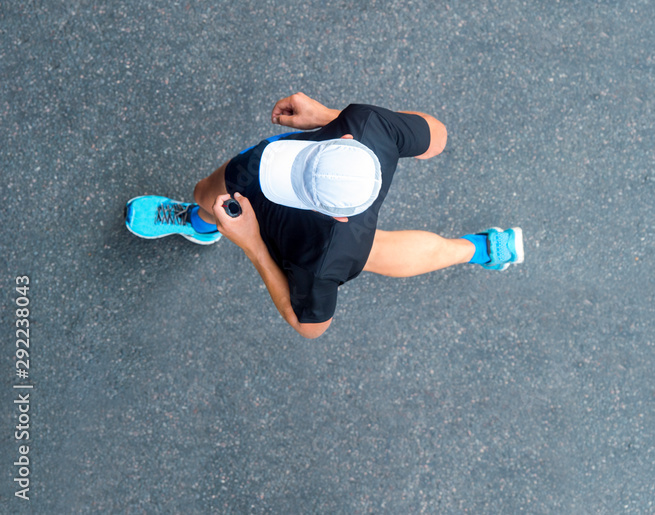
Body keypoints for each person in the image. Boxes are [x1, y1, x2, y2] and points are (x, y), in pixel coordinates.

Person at [125, 92, 523, 339]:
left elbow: (310, 326)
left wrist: (252, 244)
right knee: (368, 250)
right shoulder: (368, 124)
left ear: (336, 217)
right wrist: (325, 115)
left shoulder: (323, 259)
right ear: (348, 140)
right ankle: (483, 249)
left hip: (308, 236)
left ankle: (202, 225)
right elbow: (437, 138)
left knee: (213, 195)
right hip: (342, 233)